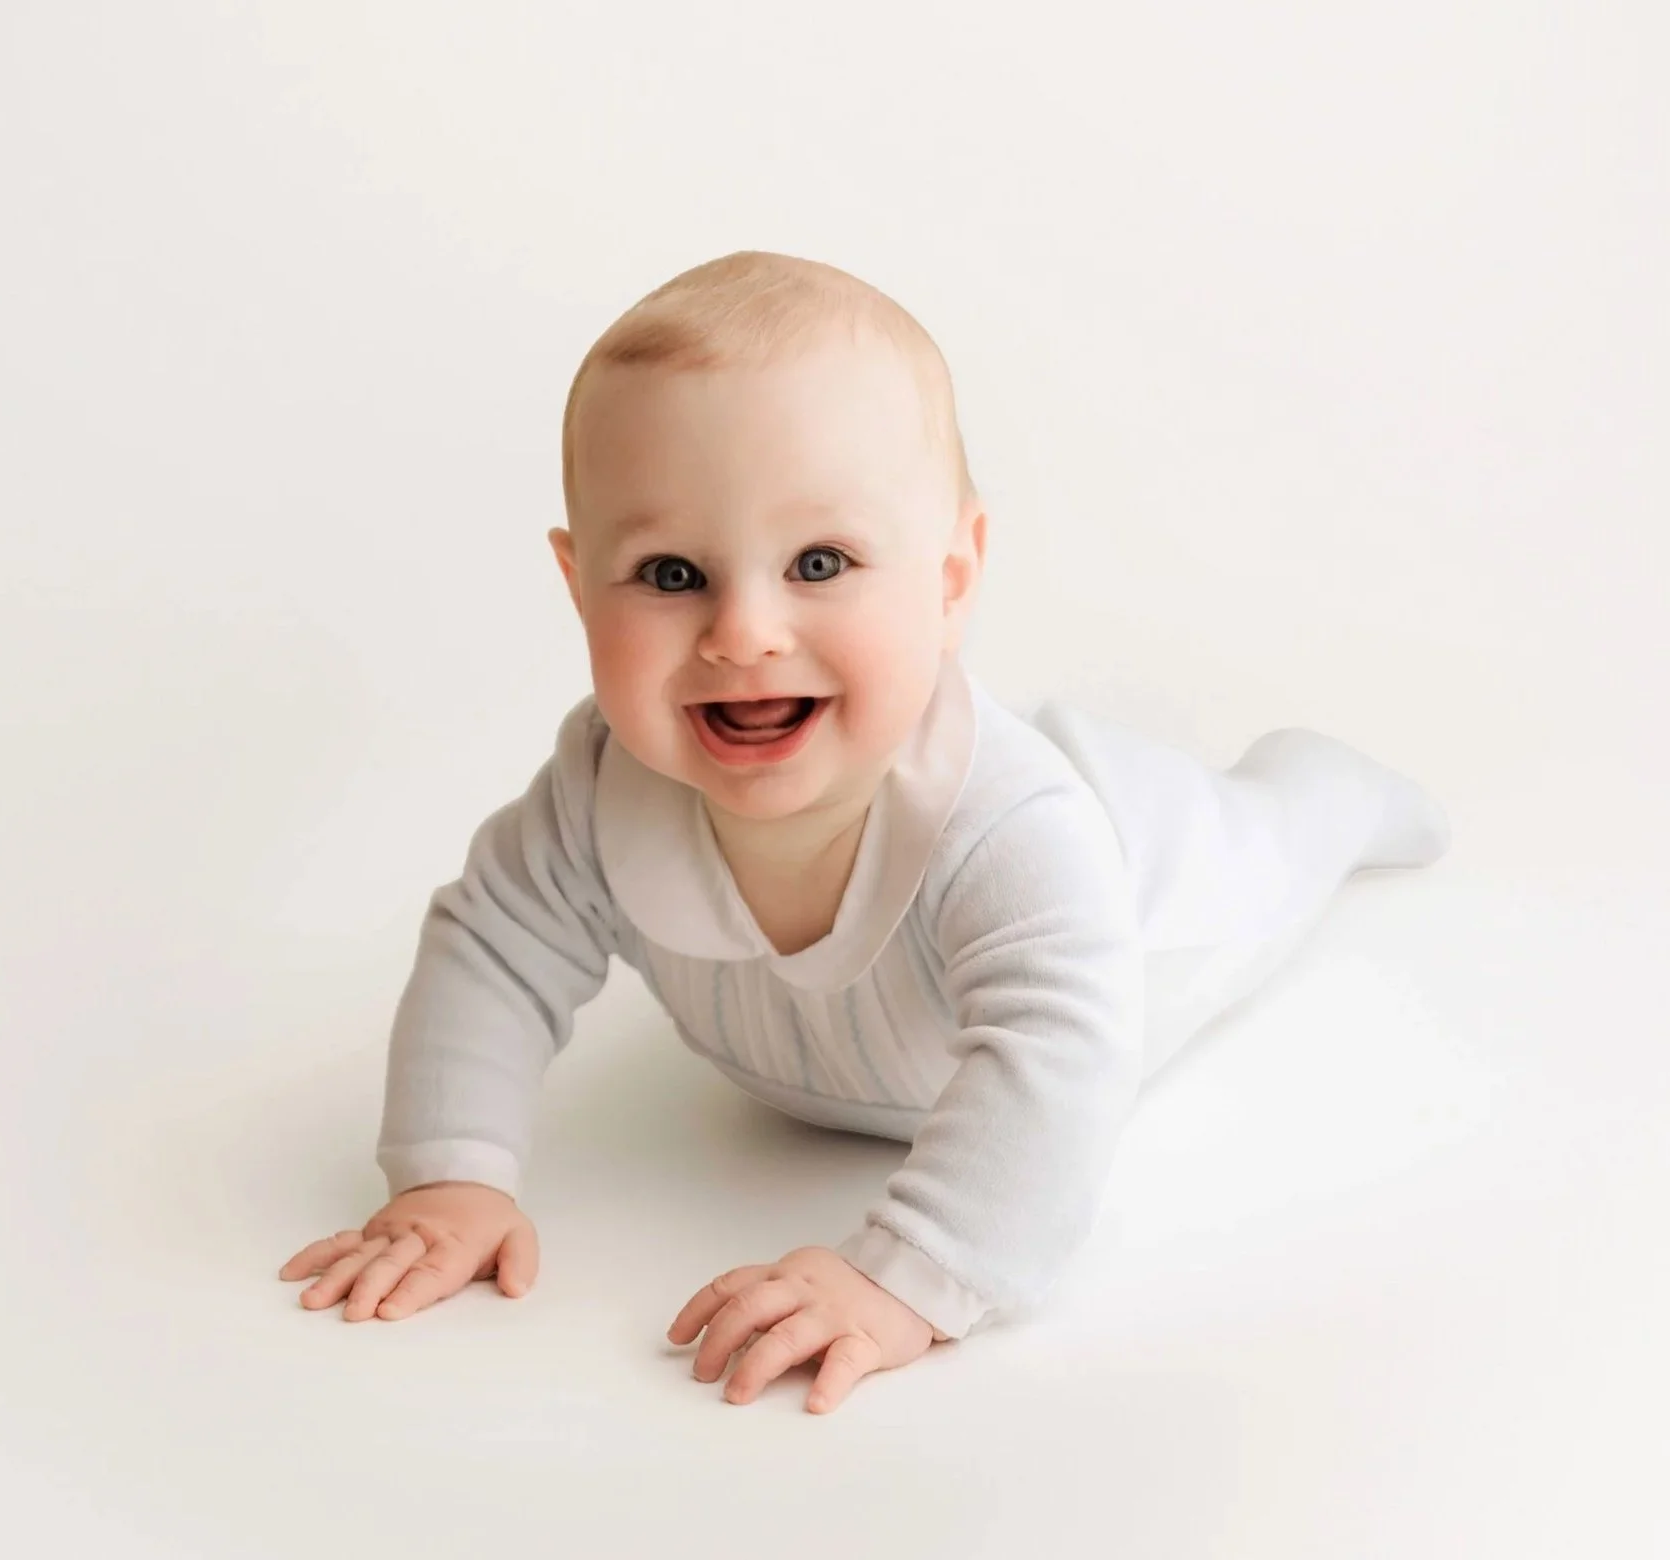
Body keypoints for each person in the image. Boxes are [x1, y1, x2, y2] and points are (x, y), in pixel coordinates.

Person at [278, 250, 1452, 1414]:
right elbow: (493, 948)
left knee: (1275, 842)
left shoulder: (1016, 833)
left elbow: (1059, 1053)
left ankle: (1324, 785)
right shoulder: (599, 786)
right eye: (672, 571)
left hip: (1150, 896)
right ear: (580, 587)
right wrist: (448, 1175)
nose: (742, 632)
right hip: (853, 1060)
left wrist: (906, 1279)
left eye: (820, 563)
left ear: (949, 579)